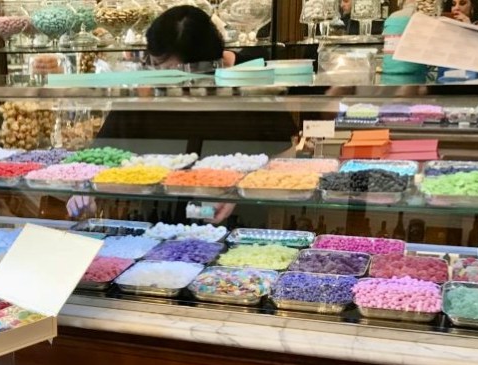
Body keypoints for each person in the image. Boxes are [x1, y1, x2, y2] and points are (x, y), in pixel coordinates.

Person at [67, 6, 305, 221]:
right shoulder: (144, 91)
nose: (168, 83)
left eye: (181, 75)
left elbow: (285, 156)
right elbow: (101, 160)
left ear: (211, 64)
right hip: (153, 223)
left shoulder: (250, 82)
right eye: (159, 68)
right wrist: (87, 191)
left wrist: (240, 189)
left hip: (241, 223)